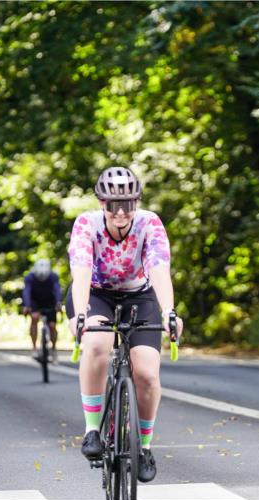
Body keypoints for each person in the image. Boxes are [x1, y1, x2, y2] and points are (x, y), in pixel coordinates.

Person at [67, 166, 182, 483]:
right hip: (96, 294)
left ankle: (144, 447)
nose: (120, 212)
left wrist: (169, 311)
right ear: (101, 203)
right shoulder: (86, 225)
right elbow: (81, 271)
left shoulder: (149, 224)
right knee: (96, 344)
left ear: (137, 203)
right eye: (112, 205)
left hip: (139, 296)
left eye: (128, 204)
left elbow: (159, 268)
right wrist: (79, 316)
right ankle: (92, 431)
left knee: (146, 373)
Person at [22, 258, 63, 361]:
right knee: (34, 318)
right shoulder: (29, 277)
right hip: (35, 301)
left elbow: (57, 289)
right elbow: (27, 291)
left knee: (52, 326)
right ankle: (34, 348)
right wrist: (27, 305)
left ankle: (53, 348)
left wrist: (58, 303)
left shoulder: (53, 276)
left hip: (50, 301)